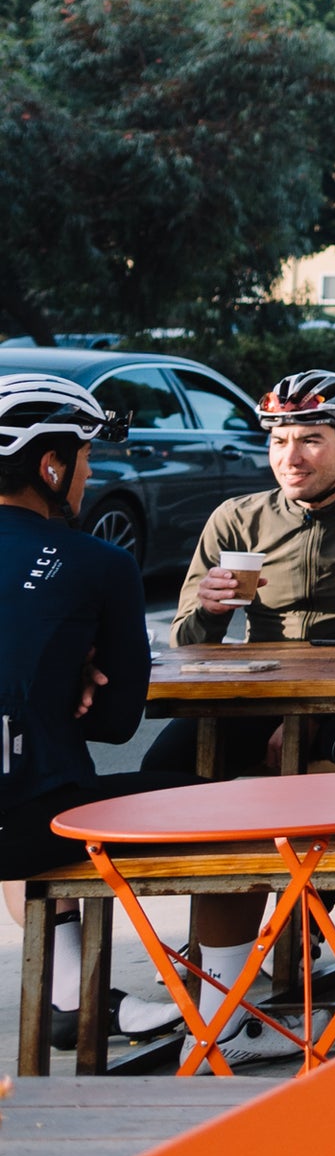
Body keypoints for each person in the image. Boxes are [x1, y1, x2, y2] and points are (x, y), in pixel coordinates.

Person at [135, 370, 335, 1038]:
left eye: (310, 440)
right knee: (168, 780)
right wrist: (210, 612)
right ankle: (216, 949)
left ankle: (289, 936)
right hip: (255, 695)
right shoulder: (235, 518)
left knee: (327, 786)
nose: (289, 457)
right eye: (278, 441)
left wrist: (314, 714)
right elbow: (187, 642)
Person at [0, 376, 178, 1050]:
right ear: (51, 466)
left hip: (19, 814)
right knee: (230, 802)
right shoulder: (100, 562)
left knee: (36, 792)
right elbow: (115, 722)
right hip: (27, 823)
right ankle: (231, 1005)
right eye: (83, 455)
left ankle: (73, 996)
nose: (90, 470)